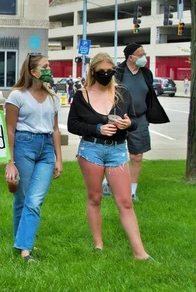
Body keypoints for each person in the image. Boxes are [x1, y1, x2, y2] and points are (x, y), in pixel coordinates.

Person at [67, 53, 152, 260]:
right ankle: (98, 244)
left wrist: (127, 124)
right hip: (91, 149)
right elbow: (73, 125)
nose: (106, 75)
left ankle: (139, 252)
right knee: (95, 198)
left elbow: (134, 120)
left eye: (110, 71)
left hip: (117, 150)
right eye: (101, 72)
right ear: (93, 72)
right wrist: (97, 128)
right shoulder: (82, 95)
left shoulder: (123, 93)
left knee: (125, 202)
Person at [4, 53, 63, 263]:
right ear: (33, 72)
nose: (50, 69)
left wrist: (59, 158)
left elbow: (55, 130)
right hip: (24, 146)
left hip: (46, 149)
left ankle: (25, 248)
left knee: (35, 200)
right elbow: (9, 129)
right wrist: (9, 162)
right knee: (22, 198)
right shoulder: (17, 96)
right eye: (45, 66)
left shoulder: (53, 98)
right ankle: (23, 241)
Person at [101, 43, 169, 201]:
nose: (144, 57)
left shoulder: (146, 73)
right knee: (114, 152)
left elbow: (148, 94)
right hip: (117, 118)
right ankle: (107, 183)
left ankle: (131, 191)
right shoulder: (117, 72)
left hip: (139, 118)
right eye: (140, 54)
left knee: (137, 156)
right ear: (130, 57)